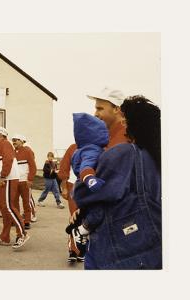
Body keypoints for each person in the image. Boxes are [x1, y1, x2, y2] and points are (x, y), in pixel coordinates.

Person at [72, 95, 162, 270]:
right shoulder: (155, 156)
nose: (122, 123)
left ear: (132, 124)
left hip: (120, 245)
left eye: (125, 120)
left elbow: (92, 194)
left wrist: (80, 187)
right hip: (154, 241)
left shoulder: (122, 153)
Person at [68, 87, 131, 261]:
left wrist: (83, 198)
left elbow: (109, 183)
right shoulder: (107, 138)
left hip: (116, 223)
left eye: (100, 108)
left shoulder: (123, 139)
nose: (95, 114)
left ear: (117, 109)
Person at [0, 127, 30, 249]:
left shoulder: (4, 144)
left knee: (9, 207)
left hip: (9, 178)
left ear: (2, 135)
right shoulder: (1, 145)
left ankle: (22, 234)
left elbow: (8, 161)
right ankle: (5, 237)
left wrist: (3, 176)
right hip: (7, 178)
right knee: (5, 208)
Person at [12, 134, 37, 229]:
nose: (14, 142)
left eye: (16, 140)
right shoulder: (12, 152)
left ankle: (27, 221)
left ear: (22, 141)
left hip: (25, 181)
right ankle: (17, 219)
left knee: (26, 202)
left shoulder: (27, 151)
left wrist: (30, 179)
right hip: (15, 181)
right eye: (13, 140)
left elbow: (33, 166)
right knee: (14, 202)